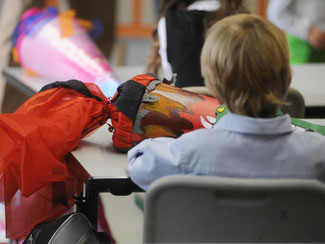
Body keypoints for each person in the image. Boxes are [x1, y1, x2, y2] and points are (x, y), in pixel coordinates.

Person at [128, 14, 325, 191]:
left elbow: (140, 163)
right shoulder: (317, 154)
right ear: (288, 78)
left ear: (213, 87)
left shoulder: (189, 153)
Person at [147, 0, 246, 87]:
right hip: (231, 106)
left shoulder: (167, 23)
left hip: (187, 105)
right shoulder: (245, 24)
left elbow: (172, 80)